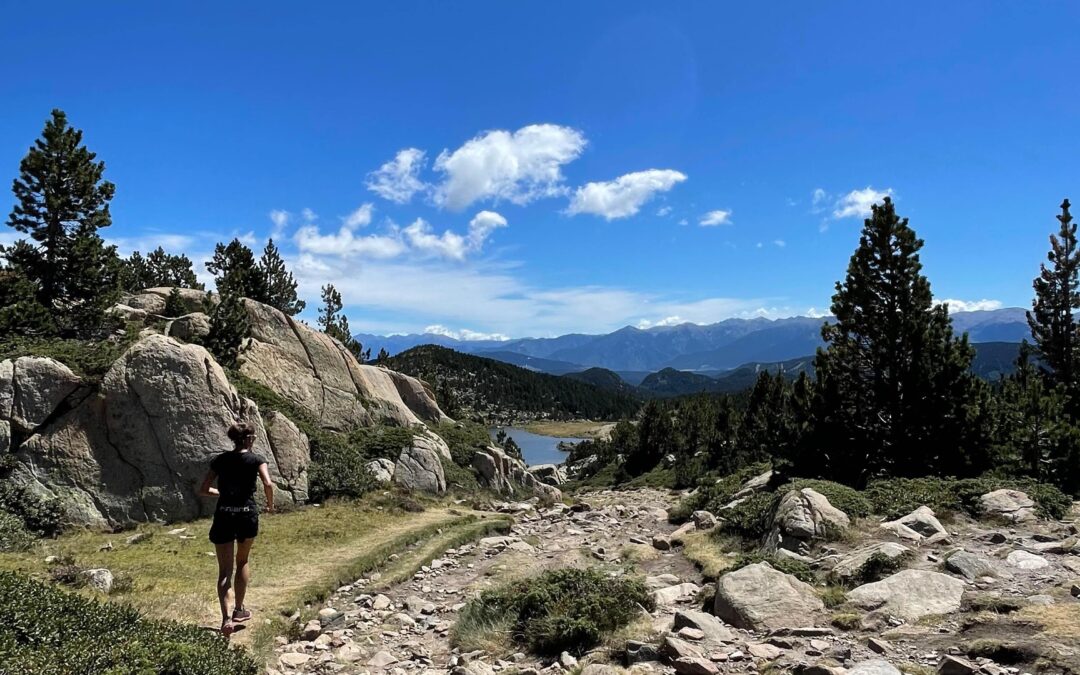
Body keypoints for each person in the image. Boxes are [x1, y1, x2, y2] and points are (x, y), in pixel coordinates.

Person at [199, 421, 275, 637]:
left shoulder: (221, 460)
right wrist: (269, 505)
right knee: (242, 560)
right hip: (246, 514)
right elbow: (268, 484)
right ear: (249, 439)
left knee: (224, 570)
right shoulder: (257, 460)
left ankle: (225, 620)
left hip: (224, 514)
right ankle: (239, 610)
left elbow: (204, 489)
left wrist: (221, 495)